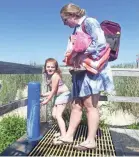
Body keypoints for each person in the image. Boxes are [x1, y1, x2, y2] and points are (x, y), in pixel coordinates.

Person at [59, 3, 114, 150]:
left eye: (65, 20)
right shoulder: (77, 28)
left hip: (91, 73)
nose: (65, 24)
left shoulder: (89, 22)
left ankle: (90, 141)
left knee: (90, 106)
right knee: (76, 105)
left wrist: (82, 53)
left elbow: (102, 43)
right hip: (80, 72)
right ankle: (69, 136)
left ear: (72, 15)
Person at [40, 58, 71, 145]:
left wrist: (47, 100)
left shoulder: (55, 76)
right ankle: (62, 131)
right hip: (58, 96)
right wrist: (42, 95)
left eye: (52, 67)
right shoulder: (48, 76)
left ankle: (64, 136)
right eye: (48, 67)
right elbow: (53, 91)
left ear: (56, 68)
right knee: (54, 115)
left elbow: (53, 91)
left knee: (58, 115)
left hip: (64, 95)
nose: (50, 68)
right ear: (45, 67)